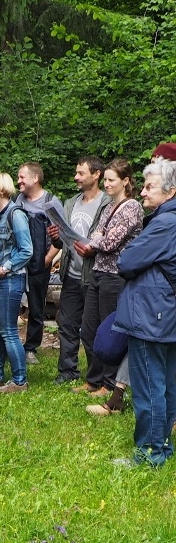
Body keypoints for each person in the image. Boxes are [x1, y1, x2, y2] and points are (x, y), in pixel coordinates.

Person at [109, 159, 176, 467]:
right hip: (164, 313)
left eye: (150, 188)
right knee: (166, 384)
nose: (143, 193)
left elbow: (127, 261)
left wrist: (134, 254)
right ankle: (163, 446)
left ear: (171, 191)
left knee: (150, 385)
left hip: (153, 315)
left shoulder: (165, 223)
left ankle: (150, 453)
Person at [76, 159, 143, 412]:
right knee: (89, 327)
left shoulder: (132, 207)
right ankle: (93, 380)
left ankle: (109, 383)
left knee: (110, 332)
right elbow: (96, 234)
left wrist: (95, 241)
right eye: (105, 180)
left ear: (126, 181)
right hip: (98, 272)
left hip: (116, 276)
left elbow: (110, 241)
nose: (107, 184)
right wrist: (96, 240)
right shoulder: (108, 207)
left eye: (112, 180)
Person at [49, 157, 110, 390]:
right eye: (76, 172)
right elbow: (62, 237)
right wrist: (55, 234)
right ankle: (67, 370)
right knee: (66, 323)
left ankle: (98, 375)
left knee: (93, 328)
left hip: (95, 274)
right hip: (71, 274)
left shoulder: (107, 204)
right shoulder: (70, 203)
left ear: (96, 175)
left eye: (81, 173)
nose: (76, 177)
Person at [0, 173, 34, 393]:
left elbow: (27, 250)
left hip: (11, 279)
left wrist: (7, 266)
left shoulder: (16, 214)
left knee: (8, 331)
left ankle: (20, 381)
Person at [13, 162, 64, 366]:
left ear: (35, 178)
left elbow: (61, 235)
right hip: (19, 263)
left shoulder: (51, 202)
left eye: (22, 177)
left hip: (39, 264)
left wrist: (47, 259)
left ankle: (31, 348)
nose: (19, 181)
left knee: (36, 308)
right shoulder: (19, 200)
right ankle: (10, 346)